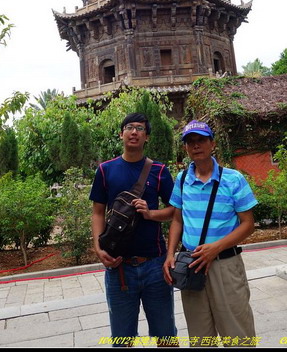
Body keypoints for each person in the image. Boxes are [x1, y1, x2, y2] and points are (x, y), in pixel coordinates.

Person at [163, 120, 258, 348]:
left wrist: (216, 247)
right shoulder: (183, 179)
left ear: (212, 143)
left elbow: (248, 224)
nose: (196, 145)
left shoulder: (233, 179)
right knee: (200, 337)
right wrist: (170, 254)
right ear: (185, 148)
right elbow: (177, 219)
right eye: (190, 141)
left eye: (201, 140)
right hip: (192, 265)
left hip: (225, 265)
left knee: (238, 335)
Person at [90, 112, 178, 348]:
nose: (134, 132)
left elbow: (174, 212)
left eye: (140, 128)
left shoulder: (159, 171)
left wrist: (150, 213)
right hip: (119, 268)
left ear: (146, 137)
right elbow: (98, 212)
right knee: (122, 340)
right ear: (121, 134)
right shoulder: (105, 170)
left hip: (155, 266)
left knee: (166, 337)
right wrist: (99, 248)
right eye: (129, 127)